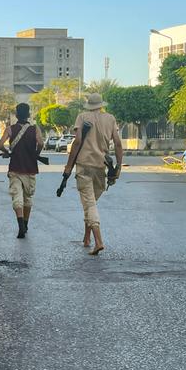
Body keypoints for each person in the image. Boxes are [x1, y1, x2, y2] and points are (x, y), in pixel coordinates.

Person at [62, 93, 123, 255]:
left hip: (83, 166)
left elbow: (77, 142)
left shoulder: (82, 117)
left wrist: (68, 166)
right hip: (100, 167)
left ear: (89, 105)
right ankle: (87, 238)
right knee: (91, 203)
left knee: (89, 204)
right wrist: (119, 167)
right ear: (101, 105)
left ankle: (99, 242)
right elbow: (117, 143)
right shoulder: (110, 119)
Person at [0, 102, 43, 239]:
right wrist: (36, 153)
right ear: (28, 114)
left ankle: (20, 226)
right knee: (27, 198)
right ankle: (26, 224)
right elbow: (40, 143)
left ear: (16, 115)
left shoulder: (10, 129)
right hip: (30, 168)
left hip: (15, 167)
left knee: (17, 197)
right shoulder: (35, 129)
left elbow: (0, 144)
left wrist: (8, 152)